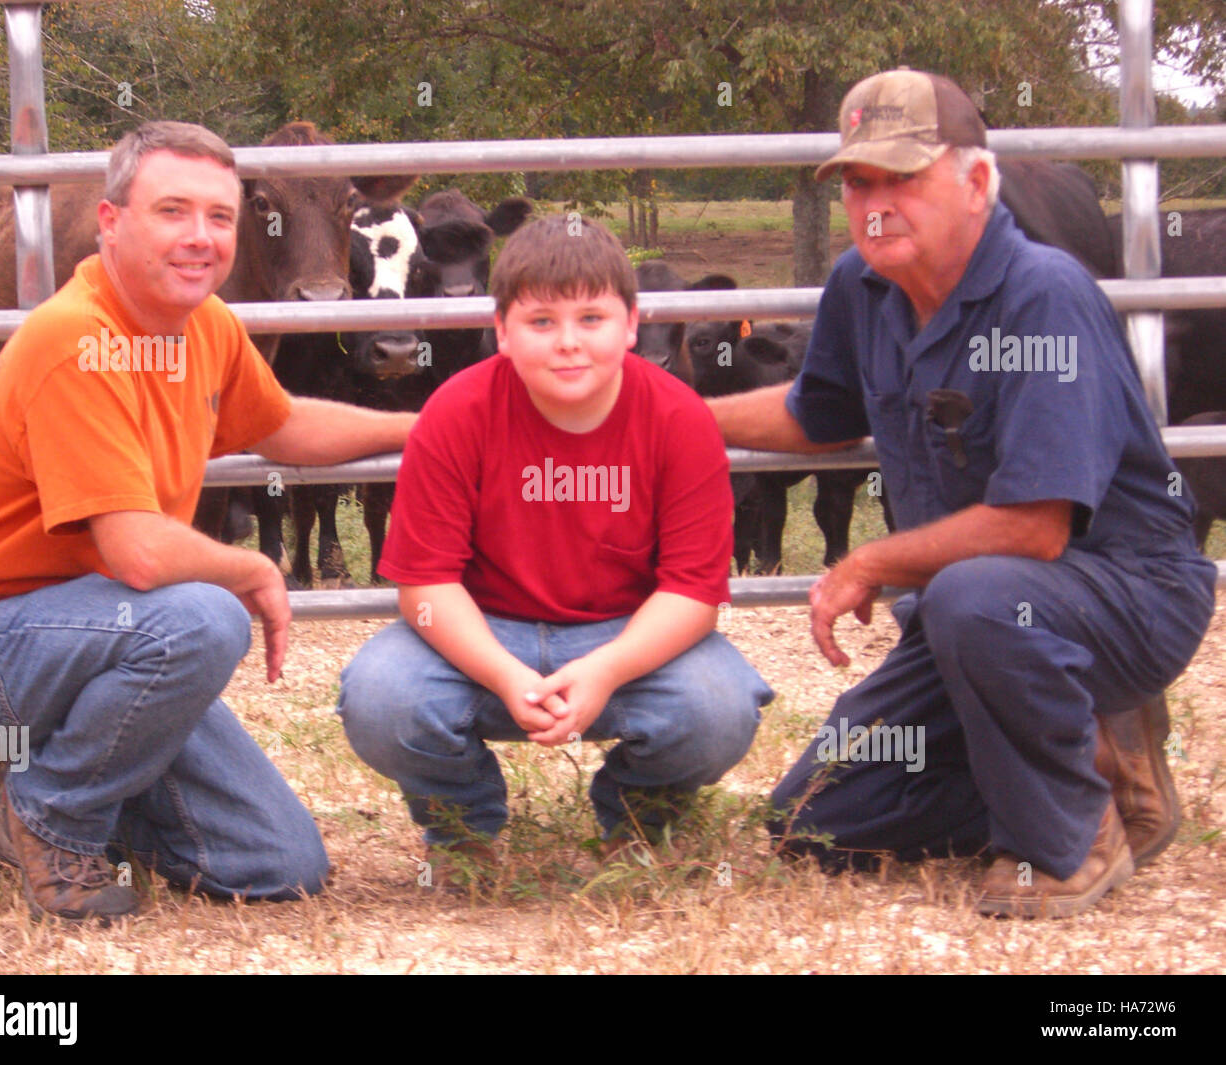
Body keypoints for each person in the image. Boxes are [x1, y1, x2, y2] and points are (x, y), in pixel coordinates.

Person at [707, 69, 1215, 917]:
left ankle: (1071, 837)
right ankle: (1094, 756)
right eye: (858, 183)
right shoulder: (862, 286)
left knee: (974, 596)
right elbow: (815, 412)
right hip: (973, 621)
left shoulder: (1044, 295)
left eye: (901, 179)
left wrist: (869, 559)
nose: (875, 206)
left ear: (977, 181)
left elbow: (1034, 528)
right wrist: (679, 417)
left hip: (1121, 594)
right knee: (818, 816)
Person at [0, 121, 416, 923]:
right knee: (203, 617)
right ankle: (48, 817)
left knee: (277, 862)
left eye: (220, 216)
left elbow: (285, 425)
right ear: (111, 221)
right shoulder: (77, 339)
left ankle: (47, 785)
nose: (200, 236)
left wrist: (424, 429)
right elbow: (139, 555)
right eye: (172, 211)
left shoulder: (204, 325)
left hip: (108, 638)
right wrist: (252, 566)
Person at [336, 215, 772, 880]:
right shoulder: (456, 411)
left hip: (626, 634)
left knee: (718, 706)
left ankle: (636, 820)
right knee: (381, 695)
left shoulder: (680, 418)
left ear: (631, 324)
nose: (568, 342)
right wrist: (504, 674)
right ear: (502, 329)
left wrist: (605, 671)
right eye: (541, 321)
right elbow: (424, 587)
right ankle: (461, 829)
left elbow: (693, 593)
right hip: (484, 631)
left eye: (591, 318)